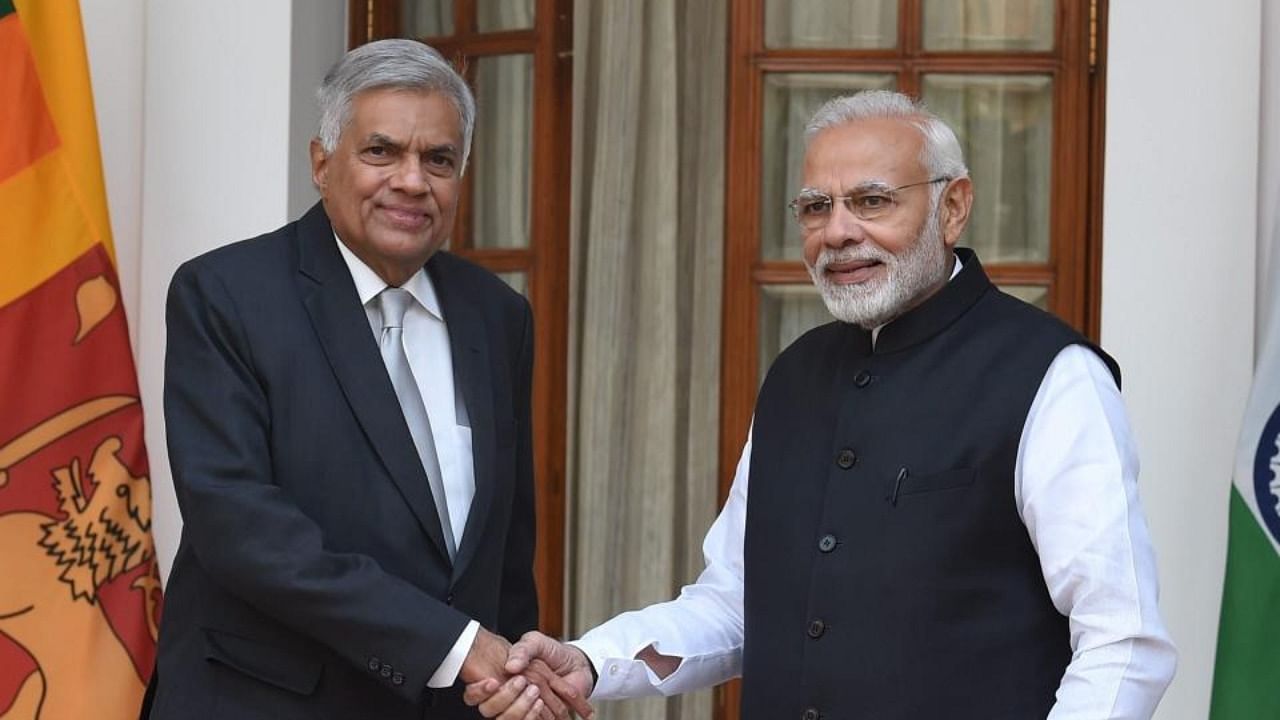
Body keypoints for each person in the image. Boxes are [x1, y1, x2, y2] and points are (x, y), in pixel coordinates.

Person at [467, 90, 1177, 719]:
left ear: (952, 206)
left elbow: (1123, 640)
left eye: (872, 201)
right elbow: (736, 606)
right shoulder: (794, 374)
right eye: (815, 207)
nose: (837, 232)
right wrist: (591, 661)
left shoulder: (1052, 375)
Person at [147, 39, 590, 720]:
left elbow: (503, 552)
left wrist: (514, 684)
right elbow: (241, 530)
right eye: (382, 152)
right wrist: (454, 643)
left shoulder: (497, 316)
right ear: (322, 164)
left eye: (439, 159)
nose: (412, 181)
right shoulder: (225, 295)